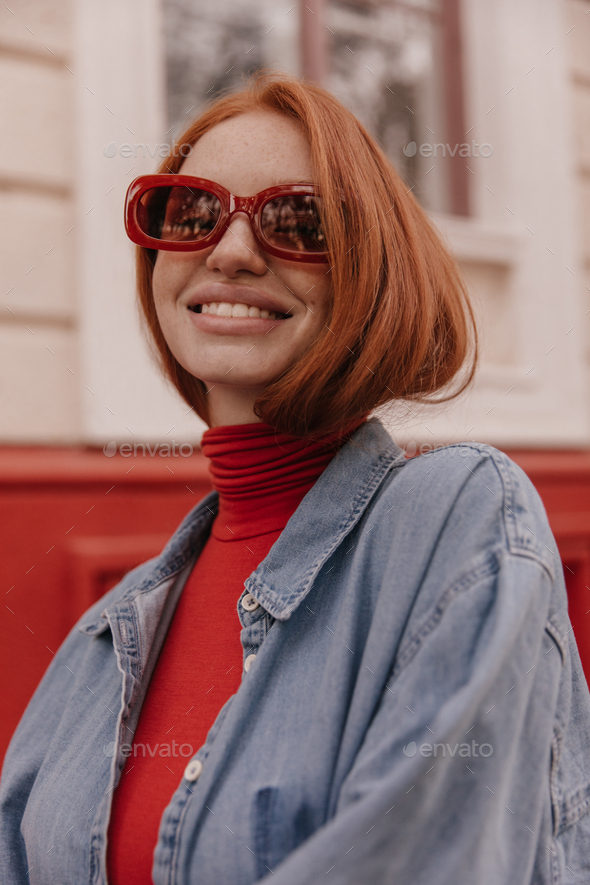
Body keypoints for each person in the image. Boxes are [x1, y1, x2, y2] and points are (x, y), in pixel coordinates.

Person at [1, 69, 590, 885]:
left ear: (370, 274)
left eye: (296, 220)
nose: (232, 250)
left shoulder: (458, 522)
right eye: (193, 212)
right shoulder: (102, 639)